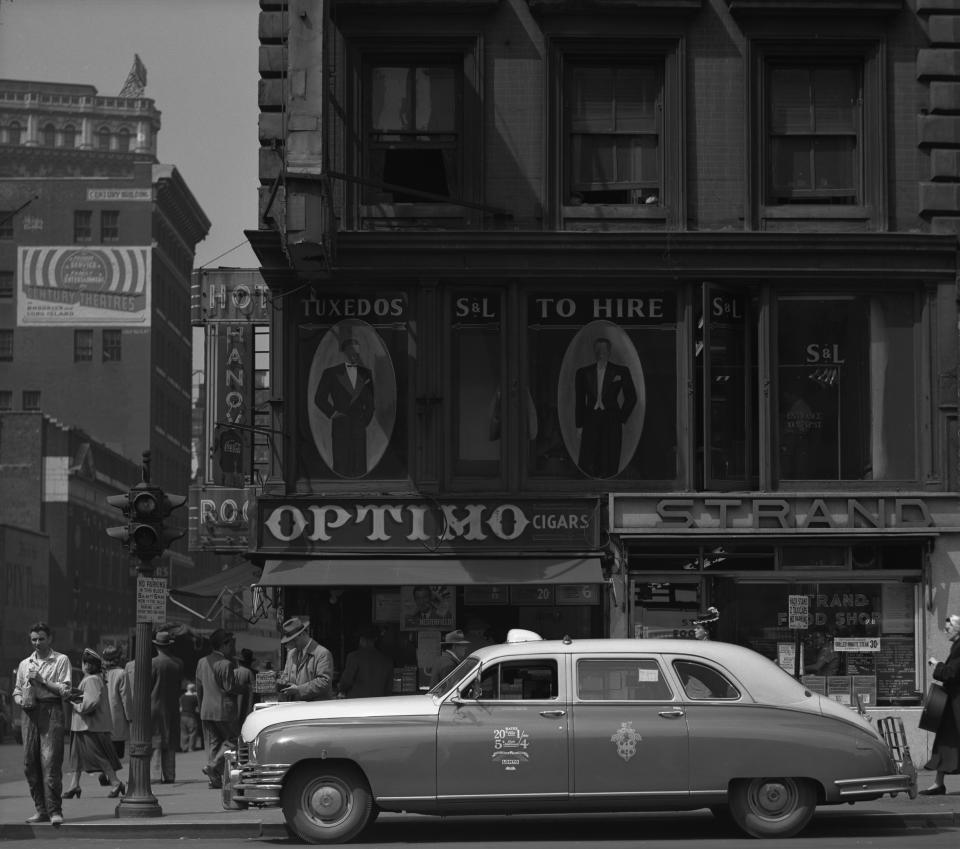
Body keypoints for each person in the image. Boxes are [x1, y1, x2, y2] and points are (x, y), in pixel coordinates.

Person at [13, 621, 72, 826]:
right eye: (34, 639)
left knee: (50, 762)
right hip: (29, 713)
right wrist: (20, 700)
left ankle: (54, 810)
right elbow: (17, 691)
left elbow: (65, 690)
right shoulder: (24, 663)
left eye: (41, 639)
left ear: (50, 639)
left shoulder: (61, 660)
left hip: (51, 710)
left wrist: (42, 680)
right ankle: (41, 809)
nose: (37, 643)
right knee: (30, 764)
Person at [62, 649, 125, 800]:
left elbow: (88, 704)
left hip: (89, 726)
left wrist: (71, 700)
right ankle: (74, 785)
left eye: (84, 663)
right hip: (84, 726)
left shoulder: (91, 680)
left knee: (98, 757)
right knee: (77, 757)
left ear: (87, 665)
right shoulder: (95, 678)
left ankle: (116, 783)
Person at [574, 336, 637, 478]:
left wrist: (621, 418)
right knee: (588, 459)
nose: (600, 352)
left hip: (611, 419)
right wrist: (579, 425)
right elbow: (579, 400)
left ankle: (608, 489)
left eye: (604, 349)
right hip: (590, 418)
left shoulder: (621, 371)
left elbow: (631, 397)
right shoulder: (583, 373)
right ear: (594, 351)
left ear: (609, 351)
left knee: (610, 457)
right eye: (598, 349)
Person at [314, 336, 375, 477]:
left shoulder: (366, 373)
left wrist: (365, 420)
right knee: (341, 463)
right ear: (344, 353)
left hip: (359, 425)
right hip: (340, 424)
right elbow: (319, 398)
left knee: (359, 464)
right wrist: (333, 414)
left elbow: (371, 402)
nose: (355, 356)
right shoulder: (331, 373)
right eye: (352, 353)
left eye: (357, 354)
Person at [195, 629, 242, 789]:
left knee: (213, 744)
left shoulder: (202, 662)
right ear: (224, 645)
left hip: (206, 709)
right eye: (230, 644)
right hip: (223, 709)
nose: (232, 648)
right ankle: (213, 765)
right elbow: (229, 688)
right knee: (234, 740)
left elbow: (199, 688)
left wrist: (201, 707)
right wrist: (244, 688)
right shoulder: (225, 664)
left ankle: (214, 779)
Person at [922, 613, 960, 795]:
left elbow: (952, 673)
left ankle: (939, 783)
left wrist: (937, 664)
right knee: (945, 741)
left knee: (949, 741)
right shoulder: (956, 647)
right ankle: (938, 783)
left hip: (956, 705)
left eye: (948, 628)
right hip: (952, 704)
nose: (946, 631)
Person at [150, 630, 184, 784]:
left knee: (156, 741)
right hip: (172, 707)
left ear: (157, 646)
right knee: (169, 741)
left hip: (154, 706)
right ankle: (170, 774)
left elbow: (148, 687)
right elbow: (179, 686)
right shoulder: (178, 663)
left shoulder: (153, 663)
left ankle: (155, 775)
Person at [278, 617, 335, 701]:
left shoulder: (322, 653)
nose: (292, 644)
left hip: (315, 709)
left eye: (294, 640)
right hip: (295, 707)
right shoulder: (292, 653)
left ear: (302, 634)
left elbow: (324, 682)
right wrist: (283, 681)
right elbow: (286, 675)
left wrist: (298, 690)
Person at [338, 625, 394, 699]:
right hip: (379, 705)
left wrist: (340, 688)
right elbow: (389, 689)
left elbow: (346, 682)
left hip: (357, 705)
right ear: (376, 639)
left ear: (361, 639)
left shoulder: (354, 657)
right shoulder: (387, 661)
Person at [235, 648, 257, 722]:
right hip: (247, 707)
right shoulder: (250, 672)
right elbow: (254, 691)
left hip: (235, 708)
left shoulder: (234, 672)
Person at [179, 683, 202, 752]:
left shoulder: (182, 697)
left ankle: (184, 747)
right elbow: (198, 708)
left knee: (183, 733)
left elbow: (180, 708)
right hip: (191, 716)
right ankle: (190, 748)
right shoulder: (194, 697)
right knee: (192, 732)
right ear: (193, 689)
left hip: (183, 716)